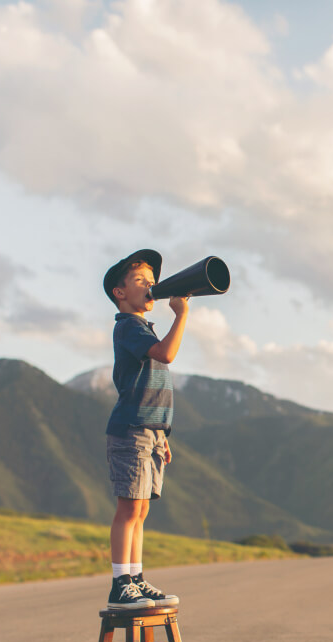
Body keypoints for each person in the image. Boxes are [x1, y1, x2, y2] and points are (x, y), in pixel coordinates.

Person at [101, 248, 188, 610]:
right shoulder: (130, 327)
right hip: (131, 430)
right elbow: (167, 355)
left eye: (153, 282)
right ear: (120, 293)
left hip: (150, 431)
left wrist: (162, 434)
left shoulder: (142, 328)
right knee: (128, 508)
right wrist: (182, 315)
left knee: (141, 511)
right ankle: (121, 583)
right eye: (141, 281)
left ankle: (135, 578)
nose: (151, 286)